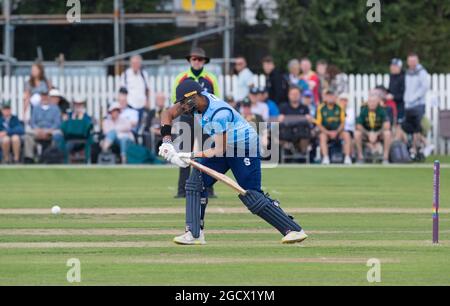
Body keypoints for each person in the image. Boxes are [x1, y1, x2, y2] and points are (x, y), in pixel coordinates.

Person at [159, 79, 308, 245]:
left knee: (251, 194)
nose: (183, 108)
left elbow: (218, 150)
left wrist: (189, 155)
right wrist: (167, 141)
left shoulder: (218, 113)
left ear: (193, 97)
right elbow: (167, 114)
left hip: (245, 148)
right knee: (196, 182)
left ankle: (293, 229)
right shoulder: (194, 102)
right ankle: (194, 234)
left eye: (184, 103)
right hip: (226, 146)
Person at [172, 47, 219, 198]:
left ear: (204, 61)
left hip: (206, 119)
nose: (197, 62)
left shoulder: (210, 78)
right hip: (187, 118)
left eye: (200, 59)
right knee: (184, 154)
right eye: (194, 59)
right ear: (190, 60)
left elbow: (215, 99)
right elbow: (176, 101)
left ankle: (209, 189)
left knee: (208, 154)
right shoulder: (182, 78)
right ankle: (182, 190)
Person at [403, 52, 430, 158]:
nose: (412, 63)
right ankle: (416, 148)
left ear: (417, 60)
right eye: (410, 61)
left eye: (414, 60)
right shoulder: (408, 72)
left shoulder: (422, 72)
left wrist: (414, 98)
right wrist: (407, 99)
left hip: (418, 104)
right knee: (410, 127)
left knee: (417, 128)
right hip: (409, 105)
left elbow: (425, 87)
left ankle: (423, 146)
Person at [23, 91, 63, 162]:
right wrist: (37, 129)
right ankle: (29, 157)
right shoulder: (36, 108)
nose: (44, 98)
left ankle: (53, 156)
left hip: (51, 130)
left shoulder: (55, 108)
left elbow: (57, 123)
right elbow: (32, 122)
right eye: (43, 96)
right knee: (27, 135)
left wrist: (49, 131)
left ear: (49, 97)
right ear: (40, 97)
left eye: (46, 95)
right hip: (37, 130)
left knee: (58, 134)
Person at [316, 89, 352, 165]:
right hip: (326, 132)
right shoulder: (321, 108)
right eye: (328, 96)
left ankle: (347, 157)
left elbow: (343, 122)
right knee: (322, 137)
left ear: (335, 97)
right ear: (325, 98)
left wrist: (337, 132)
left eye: (332, 96)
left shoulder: (340, 107)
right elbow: (319, 124)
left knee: (347, 135)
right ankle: (325, 158)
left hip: (338, 131)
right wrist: (328, 132)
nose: (330, 98)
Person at [355, 93, 392, 164]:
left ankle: (385, 158)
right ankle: (360, 157)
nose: (372, 104)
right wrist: (368, 134)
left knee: (387, 133)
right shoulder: (363, 110)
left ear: (377, 102)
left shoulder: (382, 110)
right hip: (367, 133)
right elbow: (358, 125)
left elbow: (387, 125)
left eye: (374, 102)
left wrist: (376, 134)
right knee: (357, 133)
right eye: (370, 102)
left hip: (379, 133)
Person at [279, 86, 313, 155]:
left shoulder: (304, 107)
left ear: (300, 95)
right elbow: (279, 120)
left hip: (302, 133)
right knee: (274, 133)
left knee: (309, 133)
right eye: (292, 94)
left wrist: (309, 119)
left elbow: (310, 121)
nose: (294, 96)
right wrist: (280, 119)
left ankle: (302, 152)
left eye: (296, 94)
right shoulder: (283, 107)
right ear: (289, 95)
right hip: (286, 133)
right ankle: (288, 147)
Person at [61, 96, 93, 163]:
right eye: (76, 104)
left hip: (83, 141)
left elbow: (88, 129)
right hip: (69, 140)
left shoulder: (87, 117)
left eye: (80, 104)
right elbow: (63, 128)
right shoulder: (68, 116)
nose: (78, 106)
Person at [388, 58, 405, 123]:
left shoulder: (404, 78)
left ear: (400, 67)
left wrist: (393, 97)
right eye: (391, 66)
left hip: (401, 106)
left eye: (395, 66)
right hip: (393, 105)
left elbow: (404, 94)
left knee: (399, 124)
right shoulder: (392, 76)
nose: (392, 68)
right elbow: (391, 90)